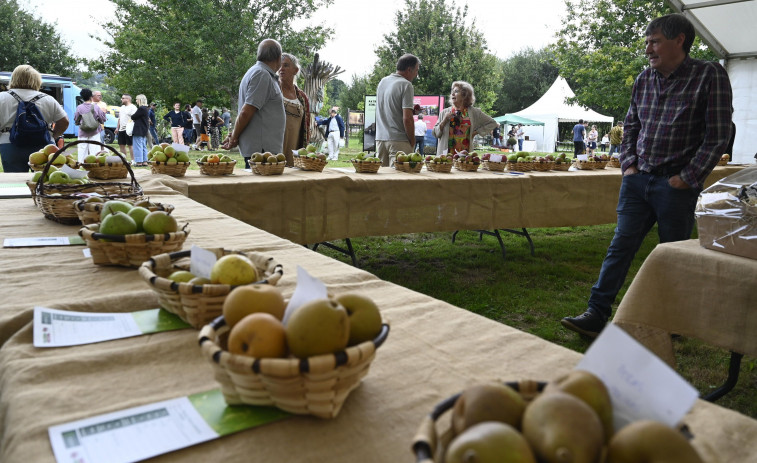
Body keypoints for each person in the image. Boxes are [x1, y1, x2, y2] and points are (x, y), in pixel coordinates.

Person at [561, 13, 733, 338]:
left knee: (674, 255)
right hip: (638, 180)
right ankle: (596, 315)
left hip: (676, 185)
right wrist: (628, 166)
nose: (648, 49)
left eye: (654, 42)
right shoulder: (644, 79)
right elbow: (631, 127)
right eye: (647, 42)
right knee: (620, 246)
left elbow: (719, 134)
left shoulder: (708, 75)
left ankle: (675, 323)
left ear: (679, 39)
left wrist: (688, 178)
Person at [222, 38, 285, 171]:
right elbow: (246, 111)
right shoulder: (262, 75)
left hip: (263, 149)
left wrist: (234, 134)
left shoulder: (259, 72)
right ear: (279, 58)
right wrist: (234, 137)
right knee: (262, 190)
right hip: (262, 150)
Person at [0, 65, 68, 172]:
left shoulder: (2, 97)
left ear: (13, 79)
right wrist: (53, 135)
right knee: (43, 180)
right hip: (43, 146)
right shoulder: (48, 99)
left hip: (10, 145)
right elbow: (64, 122)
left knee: (14, 181)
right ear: (36, 80)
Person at [375, 53, 420, 166]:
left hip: (381, 138)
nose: (416, 74)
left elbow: (389, 108)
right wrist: (412, 140)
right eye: (416, 70)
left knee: (381, 179)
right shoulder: (406, 85)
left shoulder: (383, 82)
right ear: (409, 69)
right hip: (399, 140)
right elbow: (407, 119)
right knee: (400, 179)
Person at [433, 81, 498, 156]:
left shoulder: (474, 112)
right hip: (446, 157)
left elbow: (493, 123)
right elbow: (435, 133)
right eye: (452, 91)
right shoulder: (444, 112)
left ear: (465, 95)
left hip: (465, 157)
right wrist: (444, 121)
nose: (452, 94)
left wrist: (475, 132)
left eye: (456, 91)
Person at [278, 52, 311, 166]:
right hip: (274, 147)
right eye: (279, 66)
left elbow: (307, 125)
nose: (281, 69)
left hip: (295, 147)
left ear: (296, 70)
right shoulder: (273, 91)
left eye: (286, 65)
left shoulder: (302, 97)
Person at [73, 88, 107, 162]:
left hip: (83, 131)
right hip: (95, 131)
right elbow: (102, 119)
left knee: (82, 150)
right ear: (91, 97)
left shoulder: (79, 107)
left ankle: (81, 165)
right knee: (95, 150)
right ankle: (94, 167)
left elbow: (76, 119)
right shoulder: (96, 106)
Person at [130, 94, 150, 166]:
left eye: (137, 99)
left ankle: (139, 162)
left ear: (140, 100)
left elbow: (133, 116)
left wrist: (132, 116)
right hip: (144, 129)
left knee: (137, 145)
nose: (136, 101)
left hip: (138, 129)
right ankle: (144, 161)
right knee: (143, 145)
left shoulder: (141, 108)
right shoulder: (146, 108)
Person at [116, 94, 136, 162]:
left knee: (130, 145)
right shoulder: (121, 107)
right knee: (121, 145)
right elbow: (119, 118)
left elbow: (134, 118)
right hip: (121, 129)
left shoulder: (133, 107)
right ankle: (124, 160)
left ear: (128, 99)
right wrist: (117, 128)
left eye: (123, 98)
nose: (121, 99)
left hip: (129, 129)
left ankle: (133, 160)